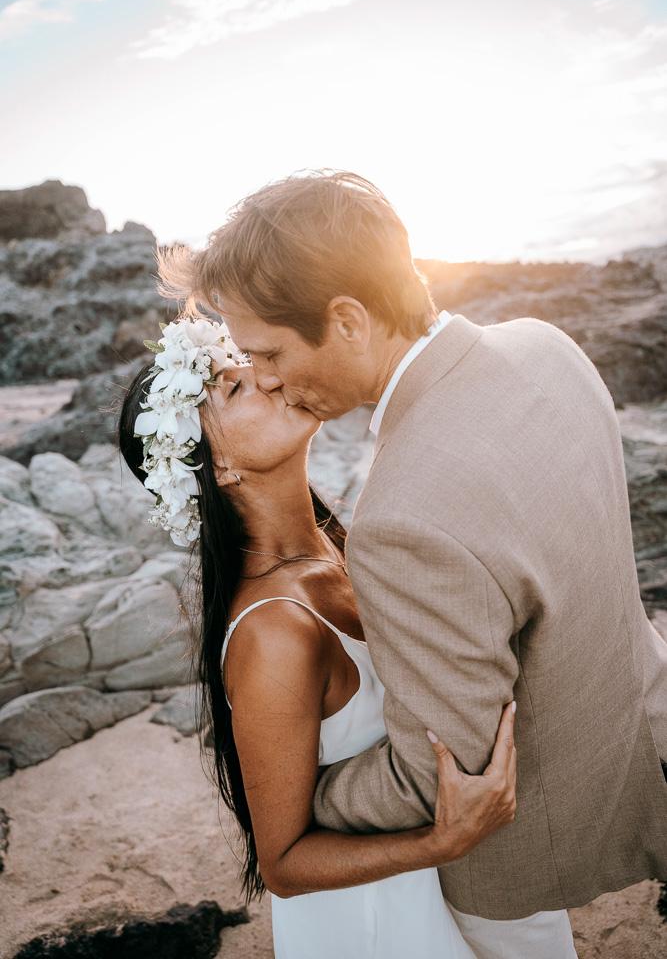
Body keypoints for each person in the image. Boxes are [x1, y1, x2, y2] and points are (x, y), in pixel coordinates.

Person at [156, 170, 667, 959]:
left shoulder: (401, 520)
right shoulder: (548, 346)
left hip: (509, 866)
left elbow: (439, 775)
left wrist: (302, 797)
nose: (262, 375)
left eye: (266, 351)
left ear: (348, 321)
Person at [118, 316, 517, 959]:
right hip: (378, 923)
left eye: (255, 361)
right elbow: (282, 863)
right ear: (216, 466)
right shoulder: (273, 631)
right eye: (234, 388)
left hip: (451, 882)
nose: (270, 376)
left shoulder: (341, 550)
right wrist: (443, 841)